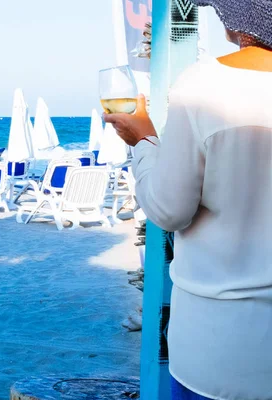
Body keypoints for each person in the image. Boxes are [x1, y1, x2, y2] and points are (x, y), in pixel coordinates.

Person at [104, 1, 272, 399]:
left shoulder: (204, 85)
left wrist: (144, 140)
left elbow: (169, 209)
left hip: (219, 344)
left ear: (239, 23)